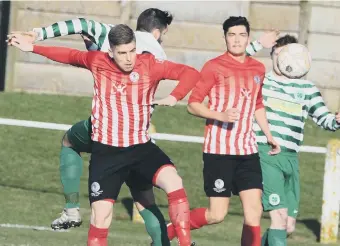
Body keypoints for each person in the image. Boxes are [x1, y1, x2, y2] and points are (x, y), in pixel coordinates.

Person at [9, 24, 200, 246]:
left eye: (132, 51)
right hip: (107, 153)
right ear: (111, 52)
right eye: (122, 53)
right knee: (101, 218)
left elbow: (190, 73)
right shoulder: (98, 61)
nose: (129, 58)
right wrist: (32, 48)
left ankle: (185, 244)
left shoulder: (149, 64)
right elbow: (69, 55)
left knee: (174, 182)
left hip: (140, 148)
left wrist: (175, 97)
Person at [166, 16, 281, 246]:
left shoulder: (258, 68)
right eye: (231, 35)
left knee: (254, 212)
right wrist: (220, 115)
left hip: (248, 152)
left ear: (248, 38)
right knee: (217, 214)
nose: (236, 40)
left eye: (241, 35)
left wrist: (268, 135)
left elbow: (257, 104)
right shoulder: (214, 66)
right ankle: (169, 230)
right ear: (225, 38)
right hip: (219, 151)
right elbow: (193, 104)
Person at [248, 34, 340, 246]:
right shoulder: (261, 80)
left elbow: (324, 119)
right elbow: (234, 64)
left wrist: (336, 120)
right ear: (272, 56)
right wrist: (257, 44)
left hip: (290, 159)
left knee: (287, 226)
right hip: (266, 155)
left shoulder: (307, 89)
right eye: (279, 54)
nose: (285, 59)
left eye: (288, 53)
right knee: (278, 218)